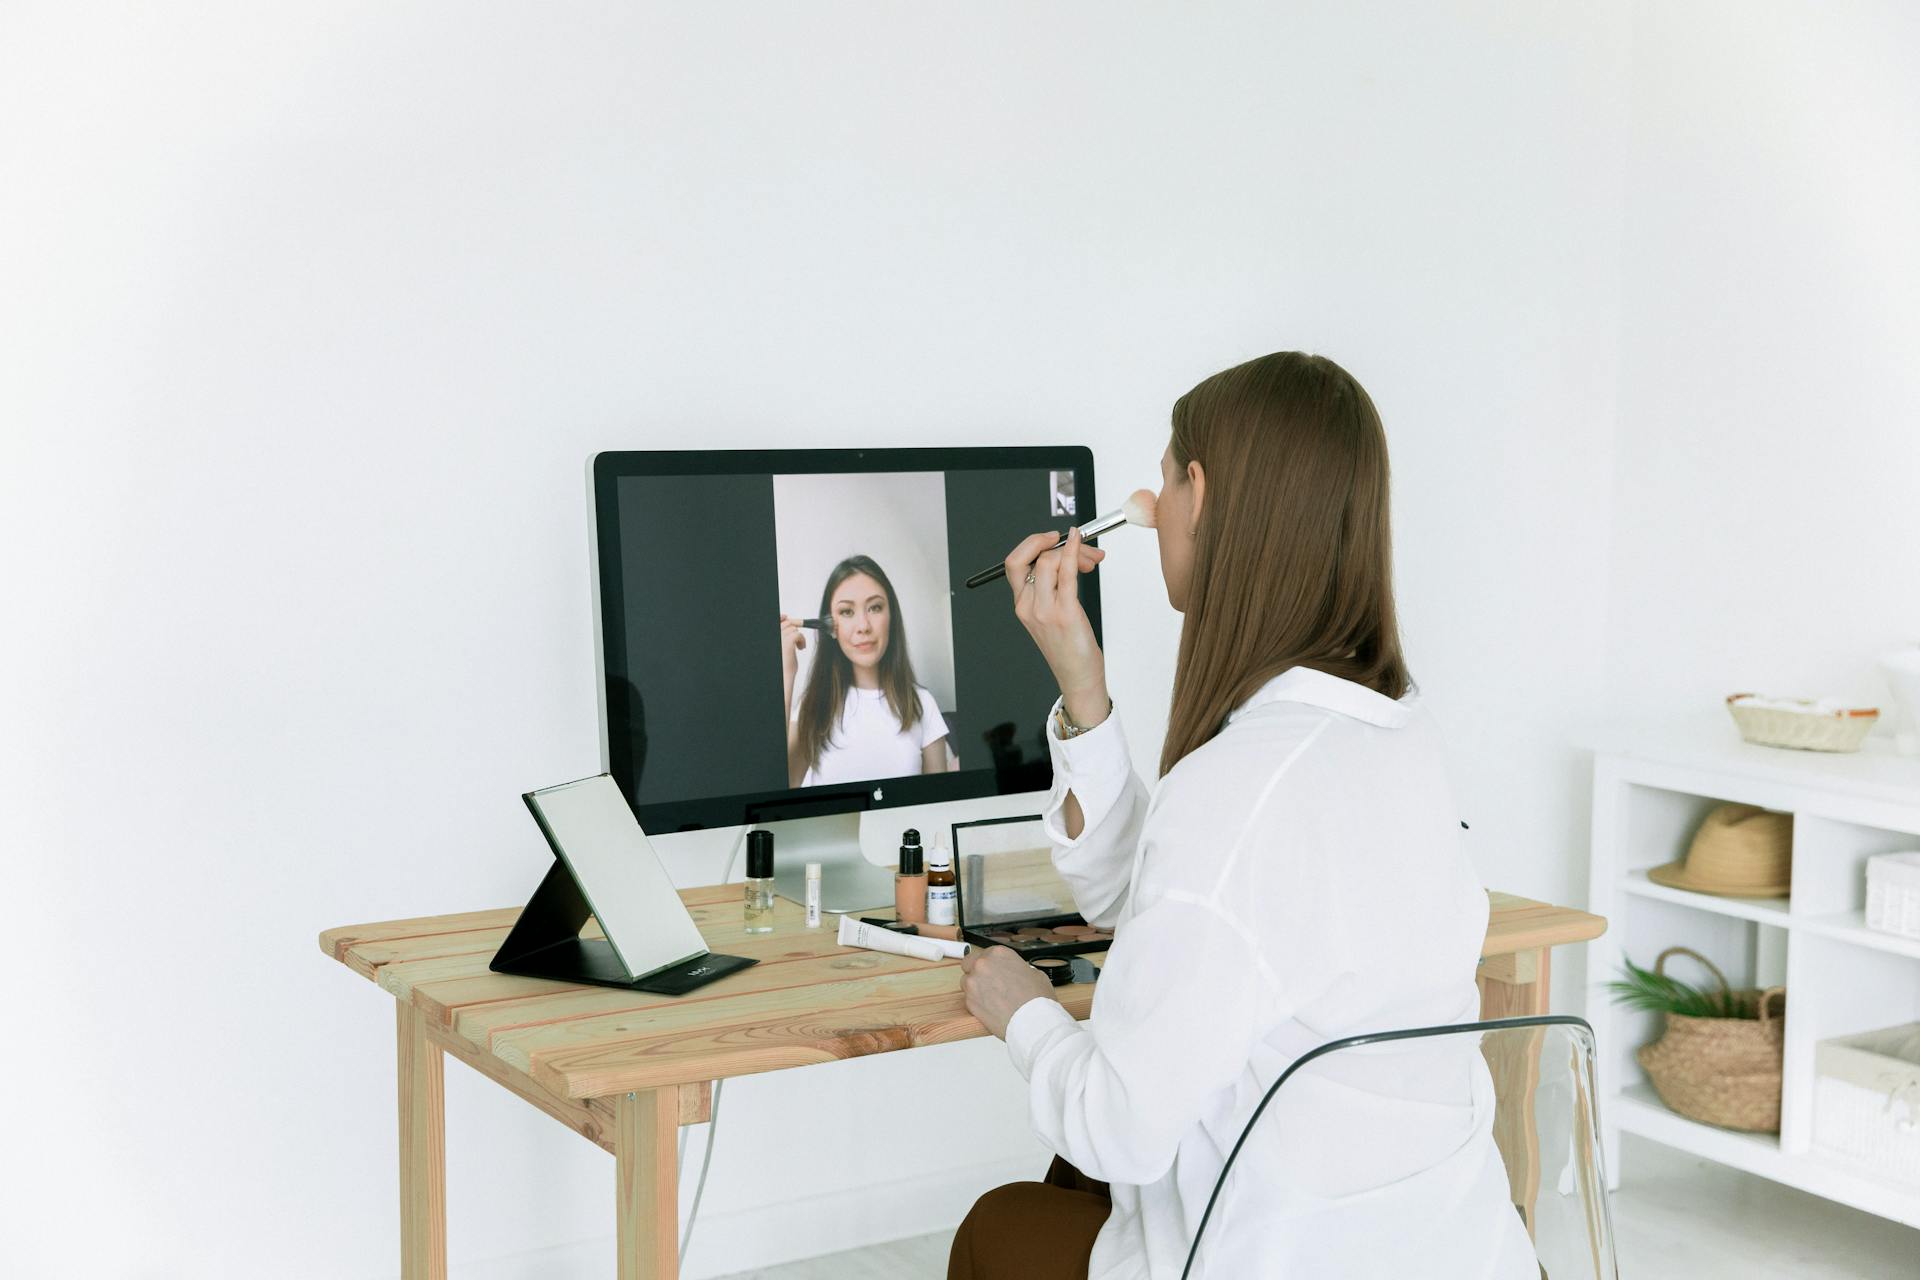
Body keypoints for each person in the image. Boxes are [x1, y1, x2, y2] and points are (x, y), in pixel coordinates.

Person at [950, 352, 1535, 1278]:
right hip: (1440, 1249)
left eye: (1165, 473)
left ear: (1202, 491)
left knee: (1004, 1222)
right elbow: (1145, 892)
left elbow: (1121, 1133)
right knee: (1069, 1180)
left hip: (1290, 1255)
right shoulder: (1396, 738)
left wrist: (1025, 1013)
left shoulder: (1240, 786)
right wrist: (1083, 688)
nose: (1146, 505)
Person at [781, 553, 952, 788]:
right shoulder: (813, 705)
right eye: (847, 612)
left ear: (891, 616)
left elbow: (939, 804)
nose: (863, 626)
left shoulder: (922, 704)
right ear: (831, 626)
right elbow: (777, 789)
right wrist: (785, 675)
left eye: (875, 607)